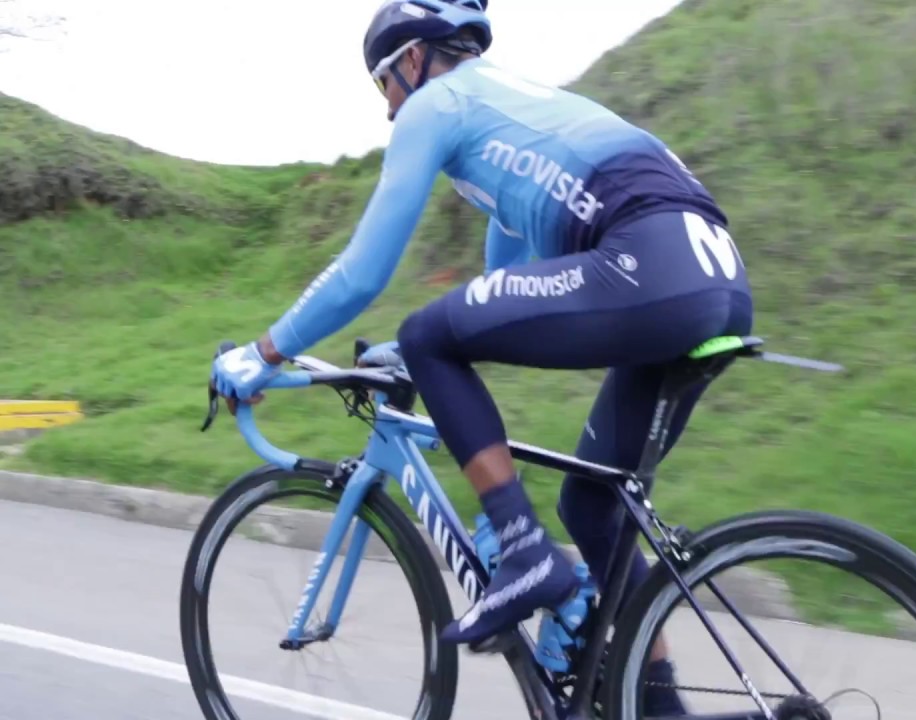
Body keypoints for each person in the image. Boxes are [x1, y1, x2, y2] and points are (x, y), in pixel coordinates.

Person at [209, 0, 752, 714]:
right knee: (592, 508)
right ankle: (659, 703)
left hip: (648, 262)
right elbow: (501, 293)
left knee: (431, 332)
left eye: (383, 88)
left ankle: (525, 555)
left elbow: (363, 272)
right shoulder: (515, 110)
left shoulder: (438, 104)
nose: (388, 113)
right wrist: (418, 348)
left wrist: (264, 351)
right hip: (715, 279)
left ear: (411, 60)